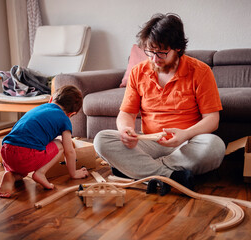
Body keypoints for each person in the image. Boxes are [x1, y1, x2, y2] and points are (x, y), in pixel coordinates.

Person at [94, 13, 226, 189]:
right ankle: (170, 176)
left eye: (162, 53)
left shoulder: (200, 71)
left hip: (187, 143)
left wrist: (185, 134)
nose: (155, 59)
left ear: (177, 48)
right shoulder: (138, 72)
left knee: (215, 146)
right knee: (101, 140)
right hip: (149, 141)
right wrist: (126, 130)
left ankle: (138, 169)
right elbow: (126, 113)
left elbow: (212, 119)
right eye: (150, 52)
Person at [0, 85, 89, 198]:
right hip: (26, 155)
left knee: (23, 173)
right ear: (72, 114)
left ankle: (11, 175)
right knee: (60, 145)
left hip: (7, 152)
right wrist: (74, 173)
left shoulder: (40, 108)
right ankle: (40, 173)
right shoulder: (65, 119)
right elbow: (69, 151)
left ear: (51, 99)